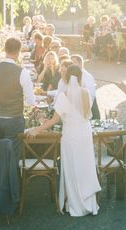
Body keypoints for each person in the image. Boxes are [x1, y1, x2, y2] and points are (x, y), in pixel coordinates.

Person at [27, 65, 100, 216]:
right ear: (80, 77)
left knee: (72, 166)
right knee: (84, 165)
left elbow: (54, 120)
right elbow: (86, 115)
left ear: (67, 78)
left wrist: (36, 129)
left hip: (71, 133)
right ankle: (89, 203)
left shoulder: (63, 96)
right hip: (85, 132)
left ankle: (75, 204)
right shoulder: (86, 93)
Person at [0, 37, 35, 157]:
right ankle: (10, 175)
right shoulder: (23, 72)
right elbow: (31, 101)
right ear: (19, 52)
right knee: (12, 156)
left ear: (4, 49)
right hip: (14, 120)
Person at [71, 54, 100, 119]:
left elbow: (92, 94)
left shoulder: (87, 76)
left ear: (81, 63)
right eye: (71, 63)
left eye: (74, 63)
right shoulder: (73, 75)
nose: (71, 65)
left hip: (89, 110)